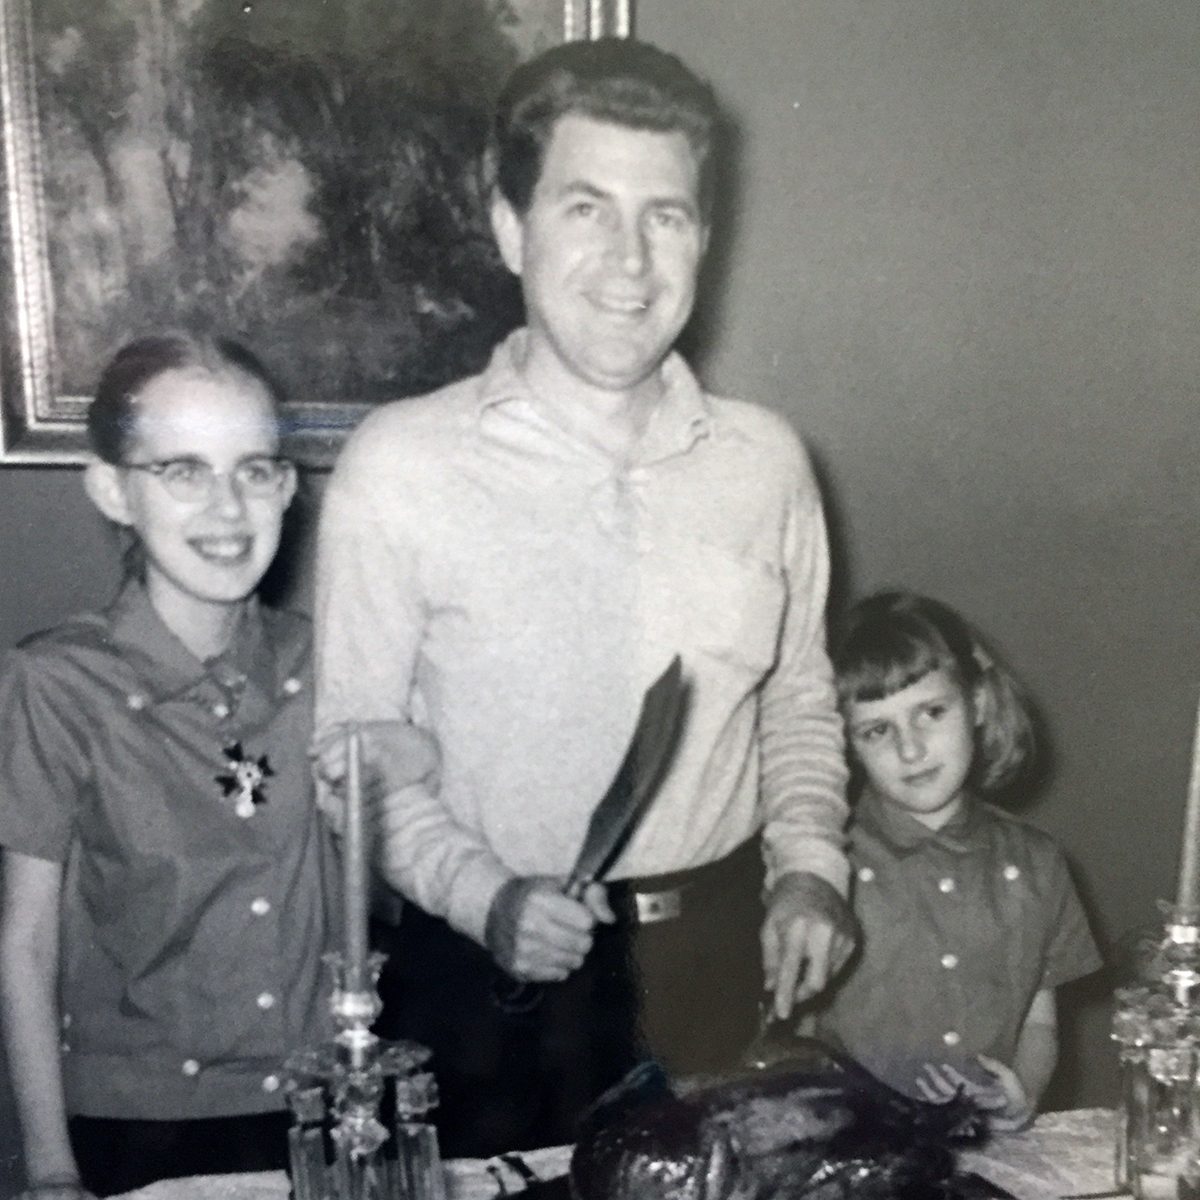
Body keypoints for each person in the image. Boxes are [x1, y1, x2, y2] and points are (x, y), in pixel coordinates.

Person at [315, 38, 854, 1155]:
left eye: (667, 215)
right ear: (511, 228)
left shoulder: (769, 464)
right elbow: (354, 760)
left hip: (716, 966)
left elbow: (798, 702)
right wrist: (484, 897)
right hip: (487, 990)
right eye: (586, 208)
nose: (631, 261)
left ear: (705, 235)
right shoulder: (398, 465)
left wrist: (810, 872)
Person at [0, 333, 325, 1198]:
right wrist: (50, 1168)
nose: (228, 508)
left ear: (287, 488)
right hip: (140, 1132)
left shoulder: (326, 665)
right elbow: (25, 941)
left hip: (321, 1113)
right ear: (113, 489)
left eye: (255, 470)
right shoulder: (58, 682)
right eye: (183, 471)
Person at [816, 591, 1101, 1130]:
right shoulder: (826, 870)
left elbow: (1040, 1022)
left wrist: (1023, 1091)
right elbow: (792, 1038)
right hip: (852, 1154)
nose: (911, 748)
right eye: (878, 730)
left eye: (931, 712)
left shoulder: (1038, 865)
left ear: (979, 705)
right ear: (846, 746)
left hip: (986, 1151)